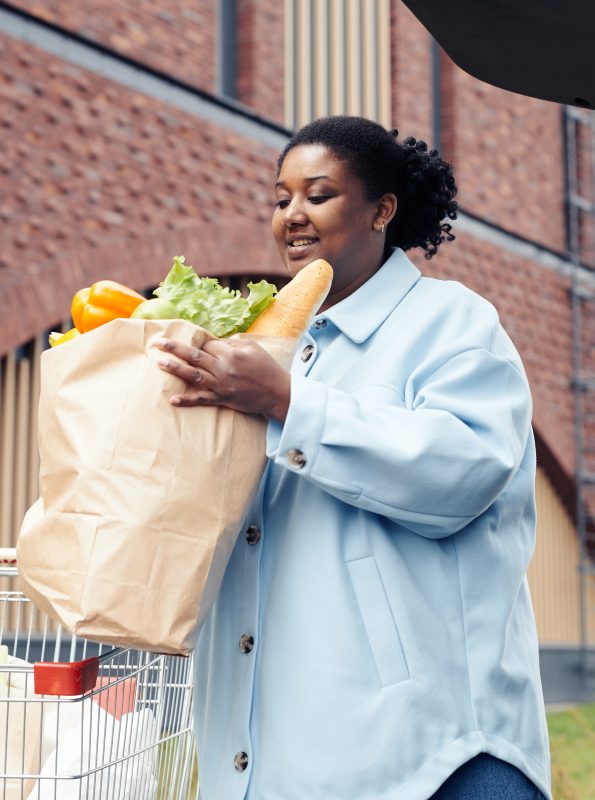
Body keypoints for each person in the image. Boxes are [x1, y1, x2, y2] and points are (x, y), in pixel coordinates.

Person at [155, 115, 551, 800]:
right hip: (279, 762)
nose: (292, 217)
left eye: (318, 195)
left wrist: (287, 402)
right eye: (281, 199)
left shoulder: (451, 323)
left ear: (381, 211)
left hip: (439, 761)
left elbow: (463, 470)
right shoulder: (271, 348)